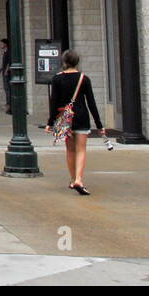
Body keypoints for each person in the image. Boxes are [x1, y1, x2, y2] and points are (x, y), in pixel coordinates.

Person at [44, 49, 104, 195]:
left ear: (64, 62)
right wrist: (99, 125)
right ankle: (79, 179)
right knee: (81, 149)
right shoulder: (84, 79)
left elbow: (54, 102)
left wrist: (50, 123)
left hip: (65, 119)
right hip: (81, 116)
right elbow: (91, 103)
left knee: (70, 150)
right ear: (77, 62)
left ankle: (72, 179)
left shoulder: (57, 79)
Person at [0, 38, 11, 113]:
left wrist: (6, 70)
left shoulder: (8, 52)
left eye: (2, 43)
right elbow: (4, 63)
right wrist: (0, 69)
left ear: (5, 44)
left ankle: (9, 104)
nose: (0, 45)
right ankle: (8, 103)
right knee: (6, 89)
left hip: (7, 73)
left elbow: (9, 62)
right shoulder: (5, 51)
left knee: (7, 89)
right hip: (4, 72)